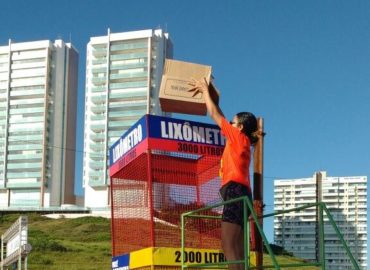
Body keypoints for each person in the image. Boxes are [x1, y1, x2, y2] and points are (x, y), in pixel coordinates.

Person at [189, 78, 258, 270]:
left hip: (235, 192)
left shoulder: (238, 137)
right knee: (236, 247)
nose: (228, 123)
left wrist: (204, 90)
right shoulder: (240, 140)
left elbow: (214, 113)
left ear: (240, 126)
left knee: (228, 244)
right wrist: (211, 92)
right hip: (241, 193)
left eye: (232, 122)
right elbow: (218, 111)